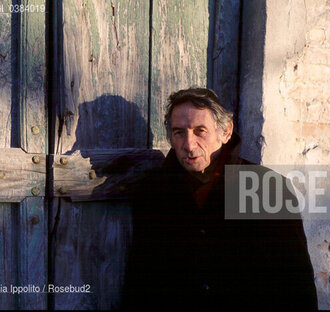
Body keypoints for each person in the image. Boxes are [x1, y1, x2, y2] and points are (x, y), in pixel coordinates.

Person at [123, 88, 318, 310]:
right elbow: (139, 282)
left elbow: (297, 285)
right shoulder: (153, 193)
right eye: (179, 132)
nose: (189, 144)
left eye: (200, 131)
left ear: (225, 133)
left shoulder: (269, 189)